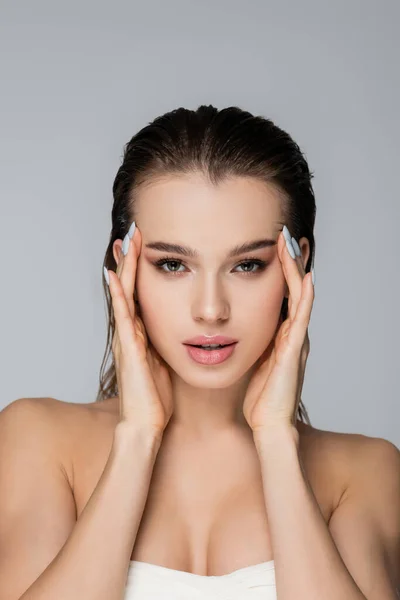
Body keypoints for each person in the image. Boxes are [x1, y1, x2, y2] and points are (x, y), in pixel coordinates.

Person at [0, 105, 399, 600]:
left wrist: (276, 439)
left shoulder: (365, 471)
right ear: (125, 266)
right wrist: (137, 436)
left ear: (297, 265)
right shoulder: (40, 440)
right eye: (172, 264)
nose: (211, 310)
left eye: (248, 266)